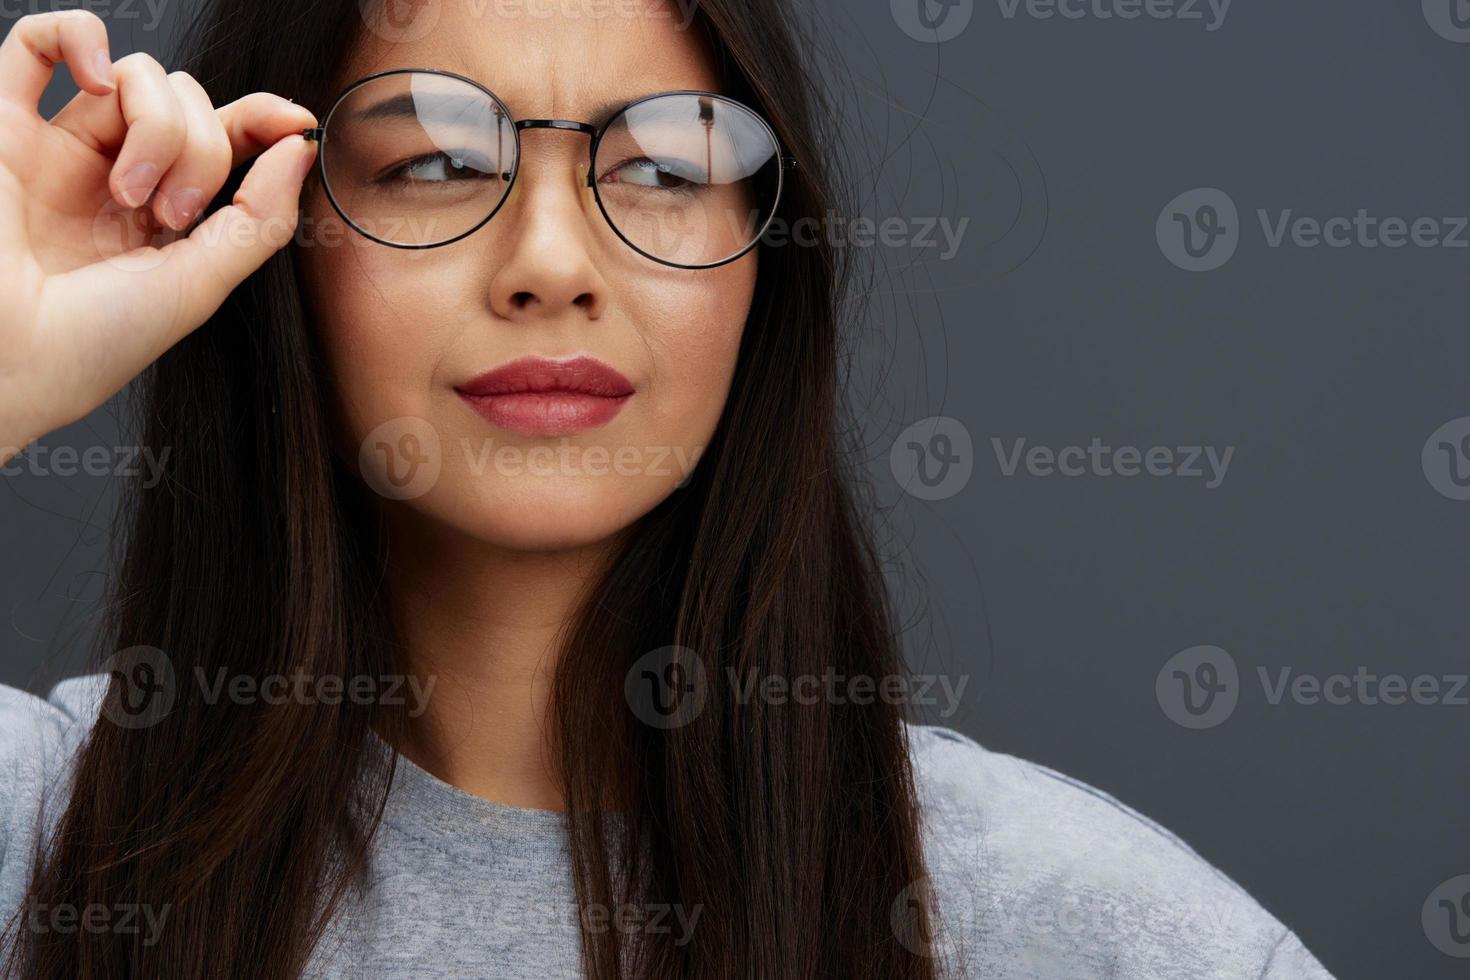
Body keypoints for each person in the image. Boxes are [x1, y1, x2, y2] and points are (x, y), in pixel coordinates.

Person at [0, 3, 1334, 977]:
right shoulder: (37, 841)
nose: (547, 264)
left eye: (662, 168)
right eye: (436, 163)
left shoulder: (1070, 927)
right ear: (270, 237)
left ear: (767, 268)